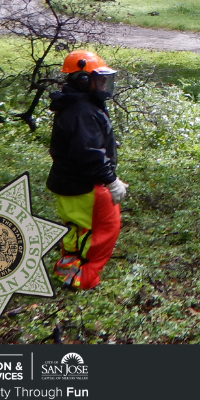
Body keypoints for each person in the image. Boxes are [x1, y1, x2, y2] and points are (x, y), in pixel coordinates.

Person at [48, 50, 128, 291]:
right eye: (99, 79)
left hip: (68, 183)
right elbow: (89, 153)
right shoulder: (82, 111)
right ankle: (82, 280)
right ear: (83, 80)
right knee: (101, 233)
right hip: (86, 185)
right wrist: (110, 180)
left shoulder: (75, 106)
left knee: (77, 230)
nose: (104, 85)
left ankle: (67, 273)